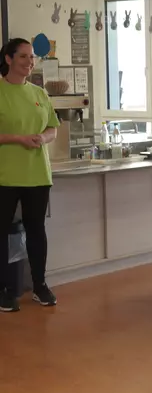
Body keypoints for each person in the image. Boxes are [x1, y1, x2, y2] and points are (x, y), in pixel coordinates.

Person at [0, 38, 60, 312]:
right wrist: (18, 139)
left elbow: (53, 128)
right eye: (23, 56)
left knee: (37, 231)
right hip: (5, 175)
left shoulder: (39, 93)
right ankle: (4, 290)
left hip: (37, 174)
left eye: (32, 57)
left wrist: (43, 138)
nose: (29, 62)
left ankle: (39, 285)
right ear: (8, 59)